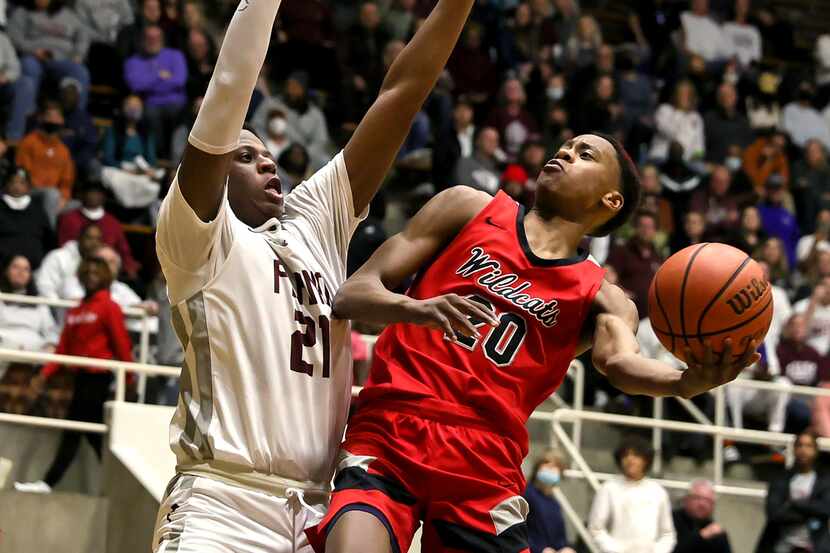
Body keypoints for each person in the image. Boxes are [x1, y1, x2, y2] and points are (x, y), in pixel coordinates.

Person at [306, 133, 759, 553]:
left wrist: (684, 382)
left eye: (585, 154)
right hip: (393, 426)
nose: (565, 153)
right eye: (565, 146)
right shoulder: (467, 208)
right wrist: (418, 309)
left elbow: (620, 362)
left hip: (486, 461)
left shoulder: (603, 296)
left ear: (611, 200)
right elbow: (352, 294)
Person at [150, 0, 478, 551]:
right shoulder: (195, 240)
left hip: (316, 512)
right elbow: (226, 95)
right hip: (222, 503)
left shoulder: (315, 225)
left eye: (268, 153)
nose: (267, 161)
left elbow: (402, 94)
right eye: (243, 155)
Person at [14, 256, 132, 494]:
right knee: (91, 432)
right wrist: (43, 375)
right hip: (79, 379)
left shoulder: (109, 306)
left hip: (98, 378)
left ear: (106, 277)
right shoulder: (77, 309)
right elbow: (62, 349)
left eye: (96, 272)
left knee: (76, 430)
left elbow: (122, 347)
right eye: (86, 271)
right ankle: (118, 487)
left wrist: (129, 380)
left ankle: (48, 483)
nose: (90, 275)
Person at [588, 435, 676, 553]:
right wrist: (614, 550)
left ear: (646, 459)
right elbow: (596, 529)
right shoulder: (609, 488)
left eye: (636, 455)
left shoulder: (658, 491)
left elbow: (668, 533)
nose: (630, 459)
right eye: (625, 455)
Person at [755, 431, 830, 553]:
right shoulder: (781, 479)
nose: (803, 450)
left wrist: (795, 504)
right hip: (781, 545)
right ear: (794, 449)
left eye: (808, 446)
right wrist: (811, 512)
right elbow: (774, 513)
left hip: (814, 546)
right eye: (799, 445)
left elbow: (825, 508)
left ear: (816, 451)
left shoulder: (824, 481)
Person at [124, 24, 188, 157]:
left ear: (162, 39)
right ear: (142, 40)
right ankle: (157, 156)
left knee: (178, 116)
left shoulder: (175, 56)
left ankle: (176, 159)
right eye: (149, 38)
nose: (153, 41)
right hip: (150, 105)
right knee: (150, 115)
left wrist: (149, 84)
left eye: (156, 38)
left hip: (175, 104)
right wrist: (159, 77)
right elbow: (135, 85)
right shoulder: (133, 61)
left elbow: (179, 81)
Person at [57, 182, 139, 278]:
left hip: (108, 272)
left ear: (103, 197)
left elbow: (124, 251)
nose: (93, 196)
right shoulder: (68, 219)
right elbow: (64, 247)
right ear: (82, 195)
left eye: (98, 193)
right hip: (74, 267)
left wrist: (129, 267)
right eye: (90, 192)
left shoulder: (113, 223)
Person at [14, 103, 76, 227]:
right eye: (49, 116)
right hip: (31, 191)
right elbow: (23, 173)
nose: (53, 120)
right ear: (41, 119)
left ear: (62, 120)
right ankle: (49, 237)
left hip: (55, 196)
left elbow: (67, 181)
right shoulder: (29, 142)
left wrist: (63, 198)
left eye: (56, 116)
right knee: (51, 194)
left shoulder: (63, 150)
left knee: (79, 206)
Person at [0, 254, 57, 353]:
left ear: (30, 275)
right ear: (6, 271)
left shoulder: (38, 300)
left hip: (34, 351)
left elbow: (50, 331)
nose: (20, 272)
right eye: (16, 267)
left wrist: (51, 344)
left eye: (26, 269)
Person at [0, 168, 53, 269]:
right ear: (5, 185)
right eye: (13, 182)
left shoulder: (38, 210)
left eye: (22, 183)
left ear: (29, 186)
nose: (17, 186)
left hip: (35, 270)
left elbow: (49, 241)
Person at [524, 450, 576, 553]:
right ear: (537, 468)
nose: (551, 469)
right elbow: (516, 531)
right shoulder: (526, 494)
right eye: (547, 463)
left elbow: (560, 538)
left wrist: (565, 548)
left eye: (556, 466)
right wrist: (540, 549)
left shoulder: (555, 504)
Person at [35, 223, 102, 301]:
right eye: (89, 238)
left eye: (98, 239)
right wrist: (60, 307)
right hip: (57, 308)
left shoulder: (100, 263)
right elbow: (44, 285)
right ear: (80, 238)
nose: (94, 243)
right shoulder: (58, 257)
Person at [650, 80, 706, 162]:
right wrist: (680, 113)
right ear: (675, 95)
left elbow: (699, 144)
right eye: (681, 94)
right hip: (662, 156)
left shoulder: (696, 117)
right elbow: (665, 130)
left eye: (688, 95)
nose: (684, 97)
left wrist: (697, 156)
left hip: (687, 161)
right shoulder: (664, 109)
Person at [672, 479, 732, 553]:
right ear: (686, 499)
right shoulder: (671, 520)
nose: (702, 504)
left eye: (707, 500)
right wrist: (701, 536)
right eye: (697, 498)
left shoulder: (716, 532)